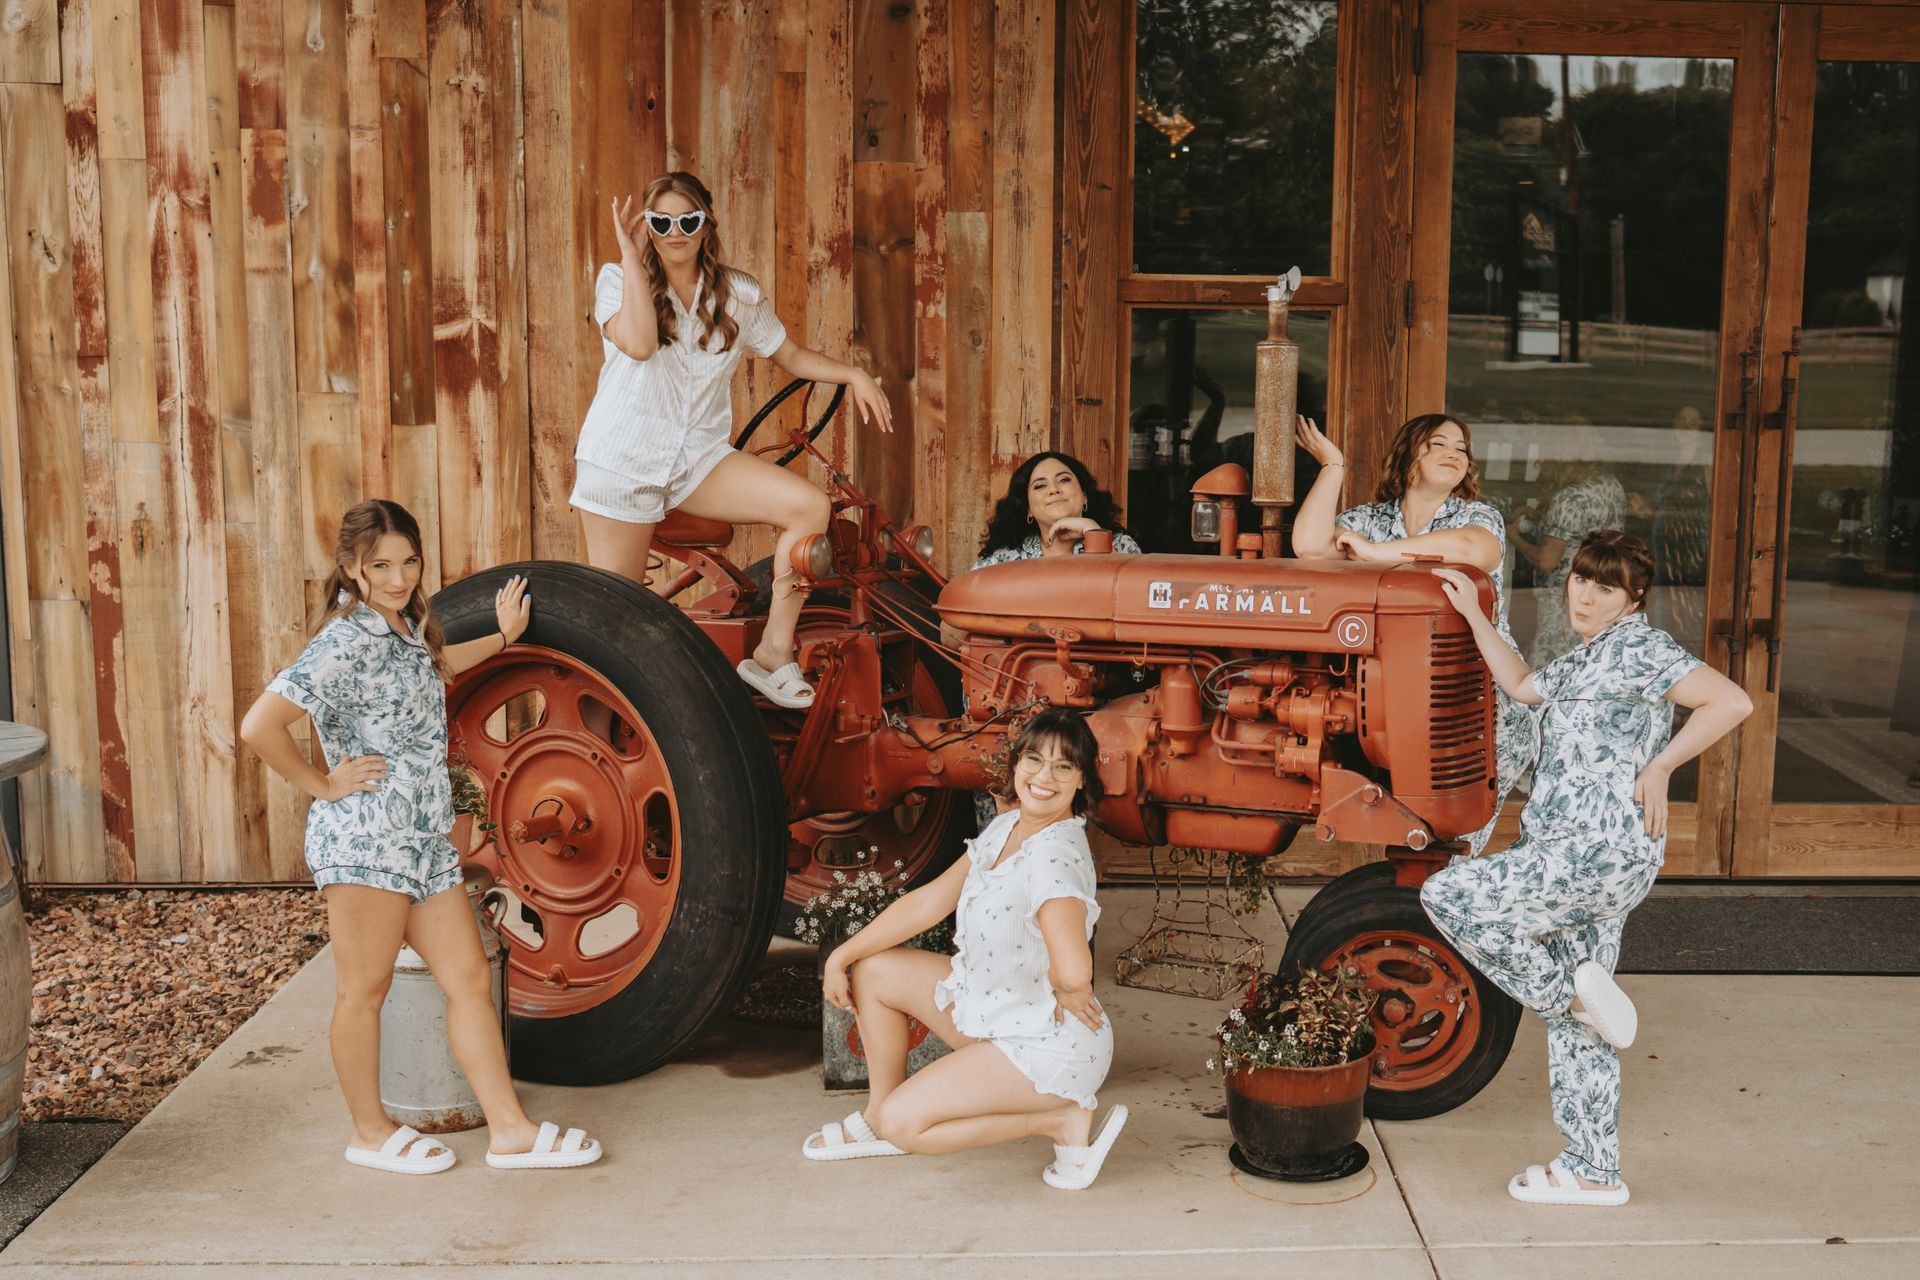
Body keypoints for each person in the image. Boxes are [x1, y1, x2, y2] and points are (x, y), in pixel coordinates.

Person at [240, 500, 604, 1176]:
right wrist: (324, 786)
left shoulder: (404, 630)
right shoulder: (344, 641)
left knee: (467, 978)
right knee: (364, 991)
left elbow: (436, 665)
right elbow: (259, 725)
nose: (398, 575)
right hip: (367, 842)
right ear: (351, 567)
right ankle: (370, 1133)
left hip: (424, 844)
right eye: (380, 564)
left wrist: (501, 639)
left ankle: (510, 1131)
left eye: (407, 561)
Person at [1423, 531, 1752, 1207]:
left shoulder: (1639, 648)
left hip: (1594, 851)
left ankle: (1566, 997)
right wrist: (1474, 615)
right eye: (1579, 579)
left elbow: (1730, 701)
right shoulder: (1585, 659)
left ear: (1633, 600)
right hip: (1581, 855)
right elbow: (1520, 685)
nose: (1584, 593)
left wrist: (1661, 766)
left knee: (1449, 895)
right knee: (1586, 1022)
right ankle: (1593, 1169)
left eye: (1604, 586)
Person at [571, 170, 893, 711]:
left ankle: (772, 653)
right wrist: (630, 255)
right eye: (662, 221)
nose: (676, 232)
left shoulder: (738, 295)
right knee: (617, 624)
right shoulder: (615, 280)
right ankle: (596, 733)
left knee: (808, 505)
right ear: (647, 227)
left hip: (697, 460)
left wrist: (854, 374)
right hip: (622, 464)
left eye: (688, 220)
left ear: (705, 224)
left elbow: (787, 355)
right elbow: (642, 345)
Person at [801, 708, 1128, 1191]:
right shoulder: (1009, 828)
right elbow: (930, 902)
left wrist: (1069, 985)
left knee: (905, 1125)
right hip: (1000, 1015)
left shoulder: (1053, 856)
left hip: (1046, 1047)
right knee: (874, 971)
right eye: (1034, 760)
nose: (1043, 776)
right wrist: (841, 955)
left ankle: (1058, 1118)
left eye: (1063, 767)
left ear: (1081, 780)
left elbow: (1075, 966)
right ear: (1016, 765)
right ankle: (876, 1114)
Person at [1292, 412, 1533, 854]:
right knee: (1415, 838)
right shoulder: (1370, 519)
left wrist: (1374, 554)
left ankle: (1437, 919)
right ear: (1411, 454)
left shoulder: (1477, 516)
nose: (1453, 454)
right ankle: (1410, 917)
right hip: (1400, 703)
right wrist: (1333, 467)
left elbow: (1472, 550)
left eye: (1461, 448)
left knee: (1454, 842)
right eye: (1439, 444)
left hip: (1480, 705)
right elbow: (1309, 547)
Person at [958, 452, 1140, 827]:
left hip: (1093, 691)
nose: (1054, 489)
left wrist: (1091, 533)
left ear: (1084, 496)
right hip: (1012, 692)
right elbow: (962, 609)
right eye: (1040, 485)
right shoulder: (1004, 558)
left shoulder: (1120, 548)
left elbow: (1123, 607)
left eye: (1064, 480)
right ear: (1028, 507)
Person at [1513, 458, 1627, 666]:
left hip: (1565, 595)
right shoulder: (1611, 484)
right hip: (1601, 588)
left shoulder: (1569, 497)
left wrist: (1514, 538)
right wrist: (1542, 520)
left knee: (1551, 657)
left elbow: (1547, 561)